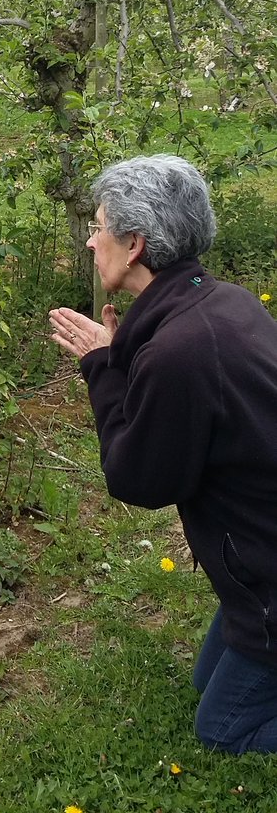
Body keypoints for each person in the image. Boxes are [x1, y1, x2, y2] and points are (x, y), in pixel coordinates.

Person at [48, 153, 277, 755]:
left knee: (224, 729)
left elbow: (141, 479)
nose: (91, 241)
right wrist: (119, 354)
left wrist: (102, 369)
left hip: (268, 568)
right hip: (262, 548)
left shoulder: (181, 349)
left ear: (134, 245)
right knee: (208, 682)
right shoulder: (221, 303)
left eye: (99, 227)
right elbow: (177, 388)